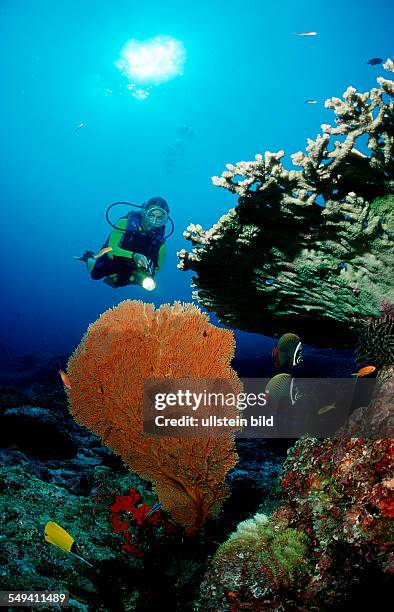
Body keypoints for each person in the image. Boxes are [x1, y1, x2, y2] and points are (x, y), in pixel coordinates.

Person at [76, 197, 170, 289]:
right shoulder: (124, 223)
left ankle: (118, 276)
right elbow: (111, 249)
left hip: (133, 265)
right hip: (113, 256)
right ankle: (89, 258)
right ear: (144, 212)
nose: (154, 221)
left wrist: (145, 275)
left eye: (159, 218)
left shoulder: (161, 245)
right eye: (151, 215)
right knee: (95, 275)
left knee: (119, 283)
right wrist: (134, 255)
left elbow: (156, 269)